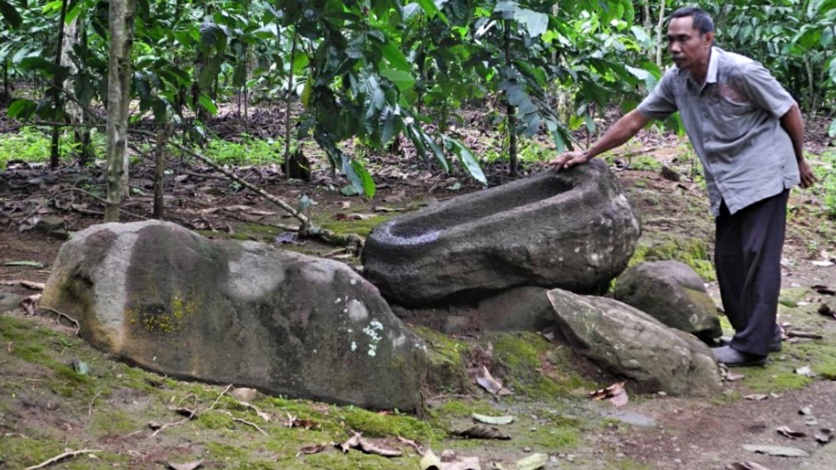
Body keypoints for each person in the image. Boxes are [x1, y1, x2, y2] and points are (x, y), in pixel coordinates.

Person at [549, 6, 817, 367]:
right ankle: (760, 334)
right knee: (728, 260)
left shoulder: (741, 71)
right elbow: (635, 119)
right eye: (671, 39)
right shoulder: (677, 80)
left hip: (765, 172)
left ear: (708, 39)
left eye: (683, 39)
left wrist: (799, 160)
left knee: (758, 258)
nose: (675, 47)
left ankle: (751, 348)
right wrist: (588, 152)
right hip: (726, 180)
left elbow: (789, 110)